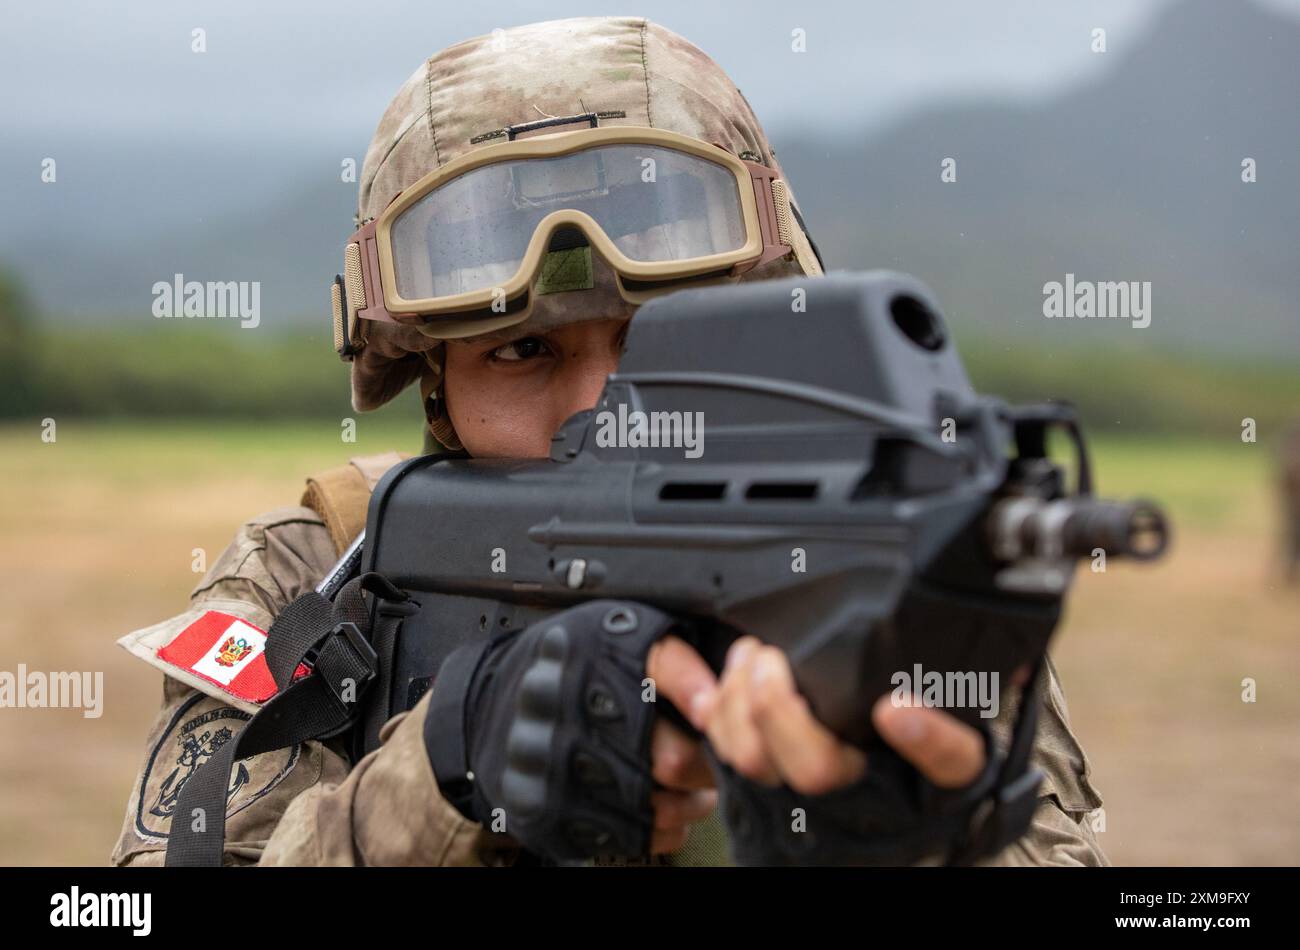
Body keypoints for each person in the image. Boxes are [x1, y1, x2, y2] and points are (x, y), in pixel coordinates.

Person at [112, 16, 1106, 867]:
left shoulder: (872, 563)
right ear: (435, 383)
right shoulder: (319, 576)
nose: (602, 412)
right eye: (523, 350)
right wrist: (450, 767)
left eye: (654, 339)